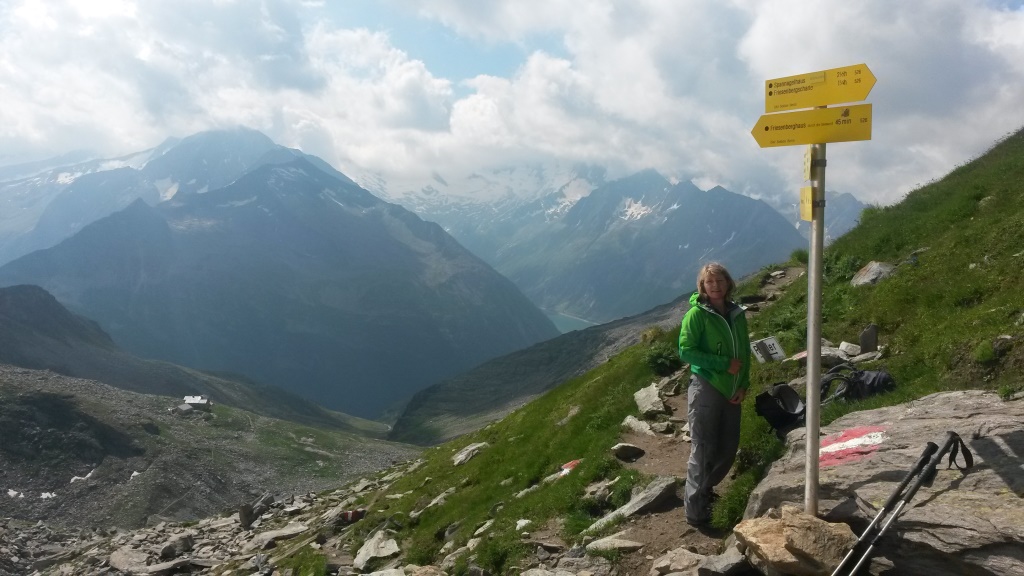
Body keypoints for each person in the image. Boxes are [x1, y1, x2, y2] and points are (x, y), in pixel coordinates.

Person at [678, 262, 751, 526]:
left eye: (720, 280)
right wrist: (723, 364)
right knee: (704, 449)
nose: (715, 286)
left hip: (732, 389)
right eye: (709, 282)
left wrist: (743, 385)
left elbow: (744, 352)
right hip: (707, 386)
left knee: (727, 447)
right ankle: (696, 512)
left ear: (728, 283)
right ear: (702, 286)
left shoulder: (736, 313)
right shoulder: (696, 315)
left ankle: (705, 491)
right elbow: (686, 351)